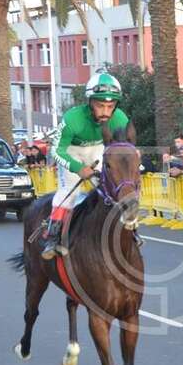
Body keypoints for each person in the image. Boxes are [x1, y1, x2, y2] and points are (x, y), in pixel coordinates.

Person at [43, 72, 128, 259]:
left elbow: (122, 147)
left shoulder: (120, 119)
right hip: (71, 151)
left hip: (97, 150)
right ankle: (52, 238)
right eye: (100, 105)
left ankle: (129, 231)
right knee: (69, 192)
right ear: (90, 102)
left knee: (112, 188)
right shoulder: (73, 118)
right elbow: (56, 151)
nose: (105, 111)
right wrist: (78, 168)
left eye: (110, 106)